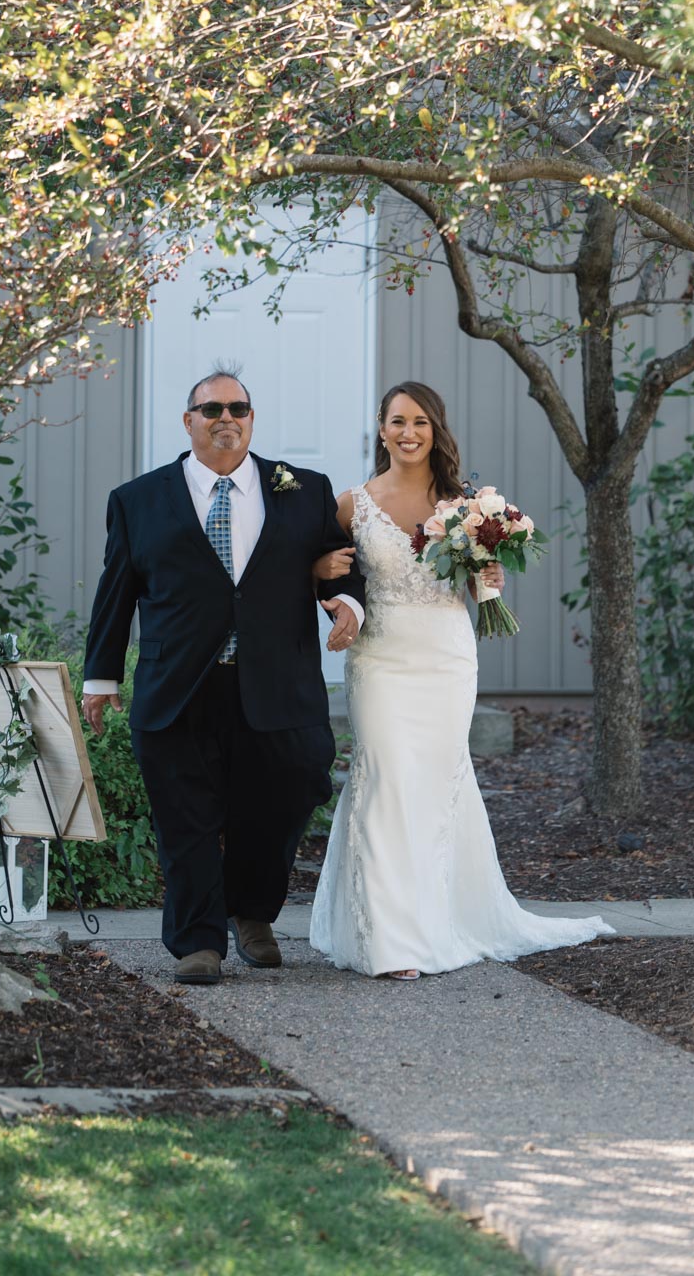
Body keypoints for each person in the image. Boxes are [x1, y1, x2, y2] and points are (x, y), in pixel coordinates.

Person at [309, 380, 613, 979]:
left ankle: (434, 918)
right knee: (387, 778)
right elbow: (331, 577)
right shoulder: (351, 505)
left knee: (432, 785)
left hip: (446, 658)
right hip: (380, 659)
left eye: (420, 422)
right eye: (397, 421)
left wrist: (490, 573)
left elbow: (479, 589)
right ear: (380, 428)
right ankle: (391, 941)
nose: (408, 432)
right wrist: (329, 589)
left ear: (435, 429)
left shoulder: (466, 505)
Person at [81, 369, 365, 985]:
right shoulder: (138, 499)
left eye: (238, 407)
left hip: (276, 683)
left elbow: (341, 564)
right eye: (211, 409)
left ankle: (252, 912)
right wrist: (100, 678)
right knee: (185, 817)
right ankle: (197, 942)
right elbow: (115, 594)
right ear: (189, 422)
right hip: (177, 685)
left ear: (252, 418)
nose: (226, 418)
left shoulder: (303, 490)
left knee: (289, 792)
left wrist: (346, 602)